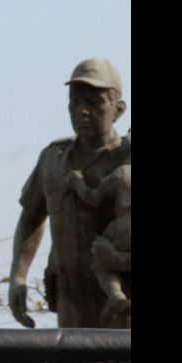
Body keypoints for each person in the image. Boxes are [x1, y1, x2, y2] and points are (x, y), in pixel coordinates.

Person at [7, 57, 130, 363]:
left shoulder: (127, 162)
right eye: (76, 101)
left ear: (119, 108)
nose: (82, 110)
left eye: (94, 102)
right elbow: (31, 216)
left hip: (122, 303)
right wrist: (18, 275)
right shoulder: (54, 159)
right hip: (72, 300)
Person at [66, 128, 131, 327]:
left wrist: (78, 183)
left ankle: (115, 294)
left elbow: (93, 197)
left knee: (99, 258)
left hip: (123, 225)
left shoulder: (122, 173)